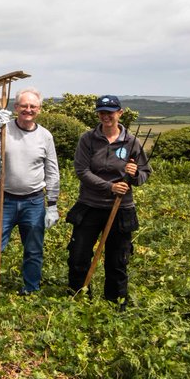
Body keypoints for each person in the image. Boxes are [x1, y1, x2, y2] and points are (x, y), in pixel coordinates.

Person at [66, 94, 150, 308]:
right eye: (102, 112)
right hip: (90, 206)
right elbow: (82, 171)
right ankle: (79, 299)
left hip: (121, 208)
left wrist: (133, 174)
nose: (106, 116)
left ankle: (116, 304)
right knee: (78, 256)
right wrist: (109, 186)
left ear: (120, 113)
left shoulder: (131, 141)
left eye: (110, 112)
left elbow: (144, 173)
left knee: (118, 260)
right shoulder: (88, 139)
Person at [0, 88, 60, 295]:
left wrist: (52, 205)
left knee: (33, 249)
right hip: (4, 199)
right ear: (16, 107)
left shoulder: (45, 136)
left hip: (34, 202)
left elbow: (52, 171)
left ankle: (31, 289)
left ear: (39, 109)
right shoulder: (5, 130)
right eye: (24, 106)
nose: (28, 110)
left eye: (33, 106)